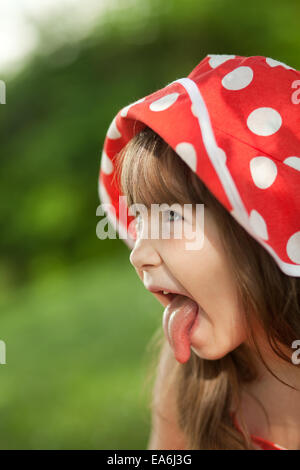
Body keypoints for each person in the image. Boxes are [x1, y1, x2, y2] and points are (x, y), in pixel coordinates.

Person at [98, 54, 300, 450]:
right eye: (139, 219)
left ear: (263, 228)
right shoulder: (188, 379)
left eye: (171, 216)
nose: (138, 254)